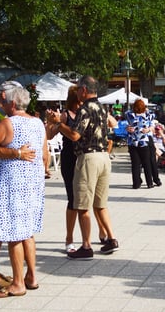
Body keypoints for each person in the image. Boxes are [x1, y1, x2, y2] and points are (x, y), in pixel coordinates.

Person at [0, 86, 47, 298]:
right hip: (32, 184)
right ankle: (31, 277)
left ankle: (18, 283)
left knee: (14, 234)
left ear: (12, 104)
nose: (2, 105)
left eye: (5, 102)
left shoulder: (8, 123)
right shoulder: (38, 123)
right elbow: (44, 156)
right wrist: (15, 154)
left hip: (10, 184)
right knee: (27, 232)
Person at [47, 75, 119, 259]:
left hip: (88, 158)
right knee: (100, 203)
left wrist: (58, 123)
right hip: (104, 156)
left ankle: (86, 246)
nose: (78, 92)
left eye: (79, 88)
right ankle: (111, 238)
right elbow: (113, 126)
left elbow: (75, 135)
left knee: (83, 205)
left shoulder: (85, 109)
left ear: (84, 90)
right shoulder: (103, 108)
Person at [45, 85, 82, 253]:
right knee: (73, 199)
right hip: (69, 159)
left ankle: (99, 234)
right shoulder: (66, 116)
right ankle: (69, 238)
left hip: (84, 158)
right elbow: (50, 135)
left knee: (86, 199)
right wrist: (51, 122)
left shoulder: (86, 113)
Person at [125, 99, 157, 189]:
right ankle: (149, 183)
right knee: (145, 163)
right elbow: (152, 125)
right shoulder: (148, 114)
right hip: (141, 140)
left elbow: (152, 126)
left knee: (136, 164)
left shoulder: (129, 114)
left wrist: (148, 129)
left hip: (135, 140)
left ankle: (136, 183)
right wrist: (148, 129)